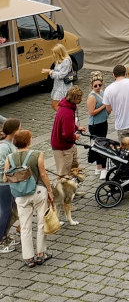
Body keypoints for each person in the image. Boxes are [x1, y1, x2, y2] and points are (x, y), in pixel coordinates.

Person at [3, 129, 54, 267]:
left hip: (20, 196)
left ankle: (28, 258)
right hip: (38, 191)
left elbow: (5, 177)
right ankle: (41, 254)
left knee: (25, 227)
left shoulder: (9, 157)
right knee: (41, 223)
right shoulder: (38, 154)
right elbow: (43, 175)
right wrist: (50, 191)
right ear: (28, 141)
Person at [103, 63, 129, 142]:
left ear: (113, 75)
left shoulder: (108, 90)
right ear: (125, 73)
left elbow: (108, 109)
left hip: (121, 125)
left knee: (125, 151)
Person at [50, 85, 84, 178]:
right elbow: (67, 134)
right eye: (80, 98)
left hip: (66, 146)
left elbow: (66, 125)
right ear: (74, 99)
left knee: (74, 168)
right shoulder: (68, 112)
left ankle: (73, 191)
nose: (81, 100)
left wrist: (77, 128)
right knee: (64, 174)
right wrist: (75, 137)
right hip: (62, 147)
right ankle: (65, 192)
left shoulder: (65, 106)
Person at [0, 118, 21, 253]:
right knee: (5, 211)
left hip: (10, 182)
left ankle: (4, 235)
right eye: (19, 128)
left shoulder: (10, 143)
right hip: (3, 184)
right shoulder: (3, 146)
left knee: (10, 210)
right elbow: (2, 165)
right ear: (14, 130)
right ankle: (1, 240)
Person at [85, 73, 109, 173]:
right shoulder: (92, 97)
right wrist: (103, 106)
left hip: (103, 122)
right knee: (100, 146)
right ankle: (101, 167)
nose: (98, 87)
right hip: (95, 125)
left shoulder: (102, 92)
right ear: (92, 86)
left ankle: (99, 167)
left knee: (102, 145)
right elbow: (92, 112)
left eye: (100, 85)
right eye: (95, 86)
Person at [42, 44, 73, 112]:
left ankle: (65, 115)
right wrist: (50, 72)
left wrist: (50, 72)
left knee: (55, 104)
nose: (53, 55)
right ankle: (64, 116)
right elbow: (56, 73)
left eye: (54, 53)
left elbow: (62, 75)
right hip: (58, 85)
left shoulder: (66, 61)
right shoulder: (58, 61)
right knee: (60, 104)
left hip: (63, 86)